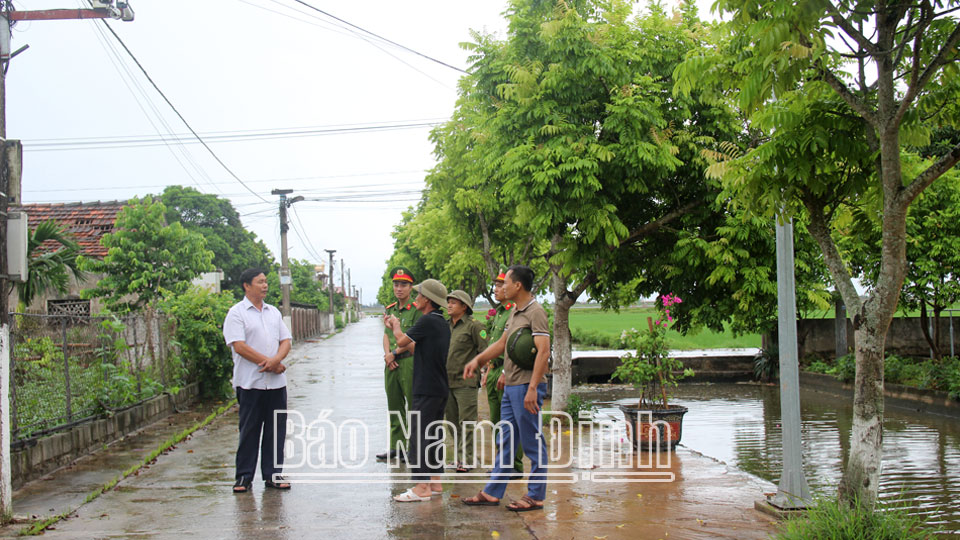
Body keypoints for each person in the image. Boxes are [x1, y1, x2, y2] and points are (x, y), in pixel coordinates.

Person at [461, 265, 550, 512]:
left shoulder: (536, 313)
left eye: (506, 283)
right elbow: (502, 343)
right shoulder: (515, 313)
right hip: (511, 385)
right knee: (506, 440)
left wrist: (533, 388)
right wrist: (478, 360)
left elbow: (544, 352)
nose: (502, 287)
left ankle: (536, 495)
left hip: (526, 387)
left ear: (518, 285)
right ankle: (492, 492)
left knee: (532, 441)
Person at [223, 268, 293, 494]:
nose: (265, 285)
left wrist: (277, 360)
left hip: (275, 384)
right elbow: (239, 346)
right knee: (249, 430)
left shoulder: (273, 312)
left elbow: (286, 340)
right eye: (260, 282)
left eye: (266, 282)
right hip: (250, 383)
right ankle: (243, 477)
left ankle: (273, 474)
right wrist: (270, 362)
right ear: (246, 285)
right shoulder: (237, 313)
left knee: (276, 430)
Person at [385, 278, 452, 502]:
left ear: (428, 299)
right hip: (439, 386)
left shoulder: (426, 321)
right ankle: (434, 482)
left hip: (426, 387)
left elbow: (402, 340)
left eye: (419, 295)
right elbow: (415, 348)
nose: (416, 298)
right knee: (433, 434)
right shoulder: (440, 322)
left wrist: (395, 326)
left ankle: (421, 486)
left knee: (420, 436)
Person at [481, 268, 524, 476]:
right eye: (496, 286)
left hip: (507, 370)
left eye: (500, 285)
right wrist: (488, 370)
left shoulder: (514, 312)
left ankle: (514, 465)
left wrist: (507, 371)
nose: (497, 289)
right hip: (494, 369)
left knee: (510, 421)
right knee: (496, 421)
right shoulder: (499, 312)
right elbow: (495, 344)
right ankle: (501, 463)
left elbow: (512, 346)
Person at [378, 266, 421, 462]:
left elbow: (415, 340)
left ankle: (414, 447)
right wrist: (388, 355)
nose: (399, 288)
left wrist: (395, 353)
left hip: (409, 362)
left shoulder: (417, 310)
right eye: (396, 284)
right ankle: (397, 447)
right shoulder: (390, 309)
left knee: (413, 406)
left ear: (411, 287)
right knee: (394, 405)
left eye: (404, 284)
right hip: (391, 363)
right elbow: (387, 336)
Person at [444, 290, 487, 473]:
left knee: (467, 422)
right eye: (449, 302)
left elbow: (485, 351)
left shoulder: (474, 326)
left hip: (466, 382)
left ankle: (468, 459)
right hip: (447, 381)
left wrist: (484, 371)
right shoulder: (445, 326)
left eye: (454, 302)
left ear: (464, 306)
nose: (449, 305)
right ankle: (459, 457)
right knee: (452, 422)